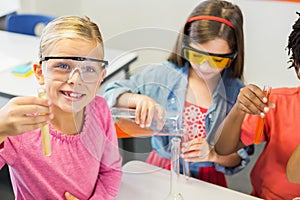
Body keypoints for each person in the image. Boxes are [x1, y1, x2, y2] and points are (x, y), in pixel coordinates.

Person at [104, 0, 253, 187]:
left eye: (217, 59)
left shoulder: (237, 95)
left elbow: (240, 157)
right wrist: (134, 99)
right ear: (185, 45)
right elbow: (111, 92)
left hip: (208, 182)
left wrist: (214, 154)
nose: (205, 66)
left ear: (233, 55)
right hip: (160, 172)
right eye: (197, 55)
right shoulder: (163, 75)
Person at [0, 16, 122, 200]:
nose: (75, 79)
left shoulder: (100, 110)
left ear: (100, 77)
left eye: (89, 69)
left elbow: (111, 171)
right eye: (63, 66)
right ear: (40, 73)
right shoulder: (19, 128)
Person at [215, 12, 300, 200]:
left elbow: (295, 175)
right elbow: (222, 148)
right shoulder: (278, 102)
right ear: (296, 68)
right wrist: (238, 109)